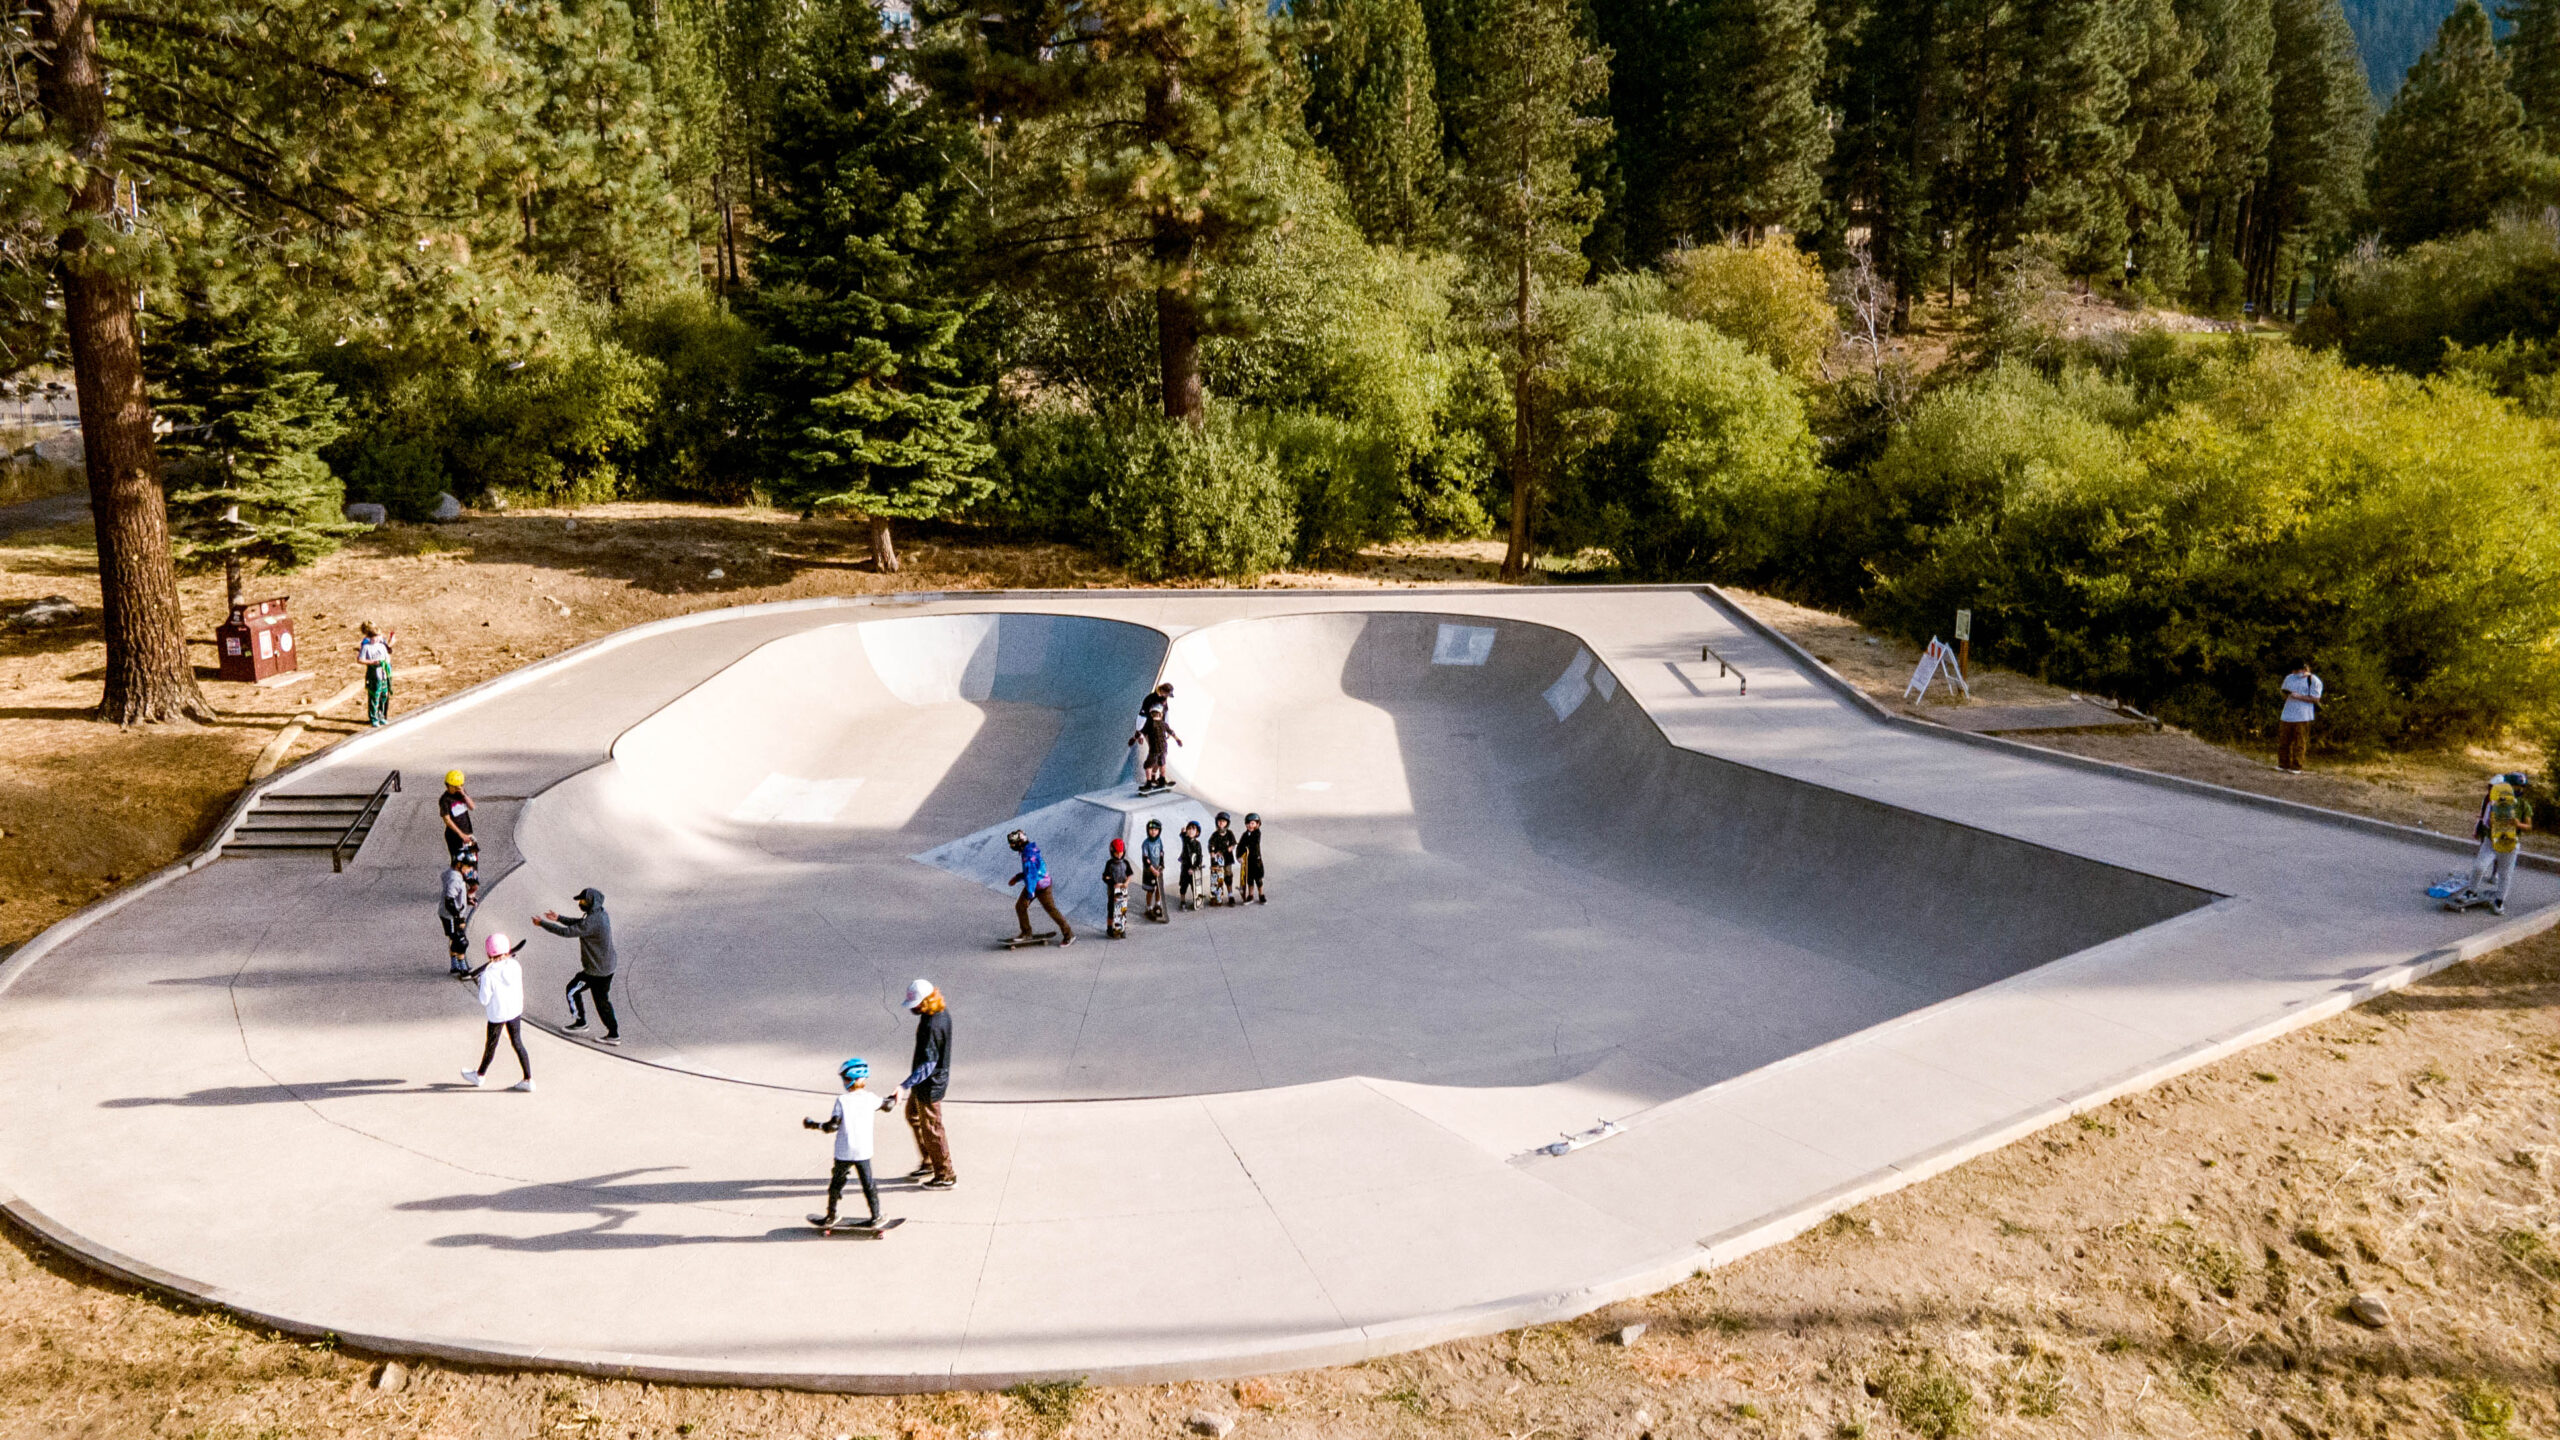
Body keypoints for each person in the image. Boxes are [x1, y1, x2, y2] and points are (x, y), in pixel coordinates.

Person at [804, 1057, 895, 1230]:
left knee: (836, 1183)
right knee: (868, 1184)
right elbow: (888, 1105)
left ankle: (831, 1215)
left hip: (844, 1151)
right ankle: (876, 1216)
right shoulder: (871, 1099)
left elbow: (832, 1126)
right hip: (863, 1151)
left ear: (848, 1080)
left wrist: (813, 1124)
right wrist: (894, 1097)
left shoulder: (842, 1101)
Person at [534, 888, 619, 1045]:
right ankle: (612, 1033)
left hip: (596, 972)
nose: (580, 903)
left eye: (583, 901)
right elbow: (580, 923)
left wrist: (542, 924)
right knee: (602, 1001)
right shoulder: (600, 914)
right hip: (607, 967)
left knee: (573, 991)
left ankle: (583, 1023)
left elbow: (567, 932)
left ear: (591, 903)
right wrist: (559, 917)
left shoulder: (592, 921)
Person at [895, 979, 956, 1188]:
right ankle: (929, 1160)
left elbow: (928, 1064)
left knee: (932, 1128)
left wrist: (904, 1086)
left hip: (930, 1085)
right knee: (912, 1115)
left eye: (916, 1005)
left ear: (926, 1001)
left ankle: (945, 1174)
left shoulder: (932, 1025)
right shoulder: (937, 1013)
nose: (914, 1009)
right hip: (923, 1083)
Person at [459, 932, 533, 1091]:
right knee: (517, 1042)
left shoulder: (488, 974)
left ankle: (480, 1075)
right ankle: (528, 1079)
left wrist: (478, 983)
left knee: (491, 1045)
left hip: (497, 1013)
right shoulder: (514, 965)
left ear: (488, 953)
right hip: (514, 1010)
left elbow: (484, 1000)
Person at [1006, 830, 1076, 944]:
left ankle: (1069, 934)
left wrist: (1030, 893)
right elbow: (1030, 872)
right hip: (1035, 884)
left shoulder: (1028, 855)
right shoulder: (1028, 850)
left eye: (1013, 844)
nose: (1011, 846)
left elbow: (1031, 875)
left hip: (1042, 886)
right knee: (1020, 906)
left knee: (1051, 909)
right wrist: (1018, 877)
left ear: (1020, 843)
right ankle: (1026, 932)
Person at [1128, 682, 1182, 793]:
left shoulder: (1164, 700)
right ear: (1162, 691)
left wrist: (1168, 729)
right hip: (1149, 729)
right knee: (1155, 754)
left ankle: (1156, 778)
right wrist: (1139, 733)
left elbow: (1166, 713)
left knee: (1161, 756)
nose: (1167, 697)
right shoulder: (1150, 699)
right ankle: (1150, 780)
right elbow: (1141, 716)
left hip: (1161, 728)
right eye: (1166, 694)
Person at [2275, 661, 2323, 773]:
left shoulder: (2313, 680)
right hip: (2287, 714)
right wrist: (2286, 694)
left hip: (2303, 716)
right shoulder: (2289, 678)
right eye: (2293, 670)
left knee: (2299, 742)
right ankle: (2283, 764)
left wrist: (2299, 696)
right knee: (2283, 741)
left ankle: (2297, 766)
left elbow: (2315, 699)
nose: (2294, 672)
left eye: (2297, 670)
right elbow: (2283, 693)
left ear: (2303, 669)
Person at [438, 855, 480, 975]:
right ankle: (463, 968)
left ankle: (454, 965)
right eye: (467, 867)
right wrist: (459, 918)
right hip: (450, 915)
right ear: (459, 865)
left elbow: (455, 894)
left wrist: (466, 899)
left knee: (454, 939)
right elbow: (449, 901)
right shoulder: (455, 878)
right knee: (461, 941)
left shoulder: (453, 874)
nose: (469, 870)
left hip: (448, 914)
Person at [357, 622, 397, 727]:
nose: (380, 638)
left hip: (384, 673)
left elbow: (387, 654)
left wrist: (386, 663)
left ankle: (382, 716)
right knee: (375, 695)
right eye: (377, 636)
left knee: (384, 695)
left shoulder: (381, 645)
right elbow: (360, 659)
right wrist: (373, 663)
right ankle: (374, 718)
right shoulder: (366, 645)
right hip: (374, 674)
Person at [439, 770, 477, 866]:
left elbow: (472, 807)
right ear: (448, 785)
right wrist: (462, 835)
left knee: (471, 862)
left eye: (459, 786)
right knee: (459, 864)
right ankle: (457, 880)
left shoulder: (461, 793)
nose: (457, 789)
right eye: (455, 787)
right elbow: (447, 820)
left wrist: (464, 794)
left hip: (468, 834)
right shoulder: (445, 800)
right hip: (455, 836)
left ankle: (468, 881)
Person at [1102, 837, 1134, 938]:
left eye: (1120, 853)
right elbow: (1105, 877)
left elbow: (1129, 875)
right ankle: (1109, 928)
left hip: (1123, 891)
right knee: (1112, 910)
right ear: (1112, 852)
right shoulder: (1110, 864)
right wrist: (1113, 883)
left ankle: (1122, 928)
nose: (1119, 855)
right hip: (1113, 891)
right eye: (1117, 853)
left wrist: (1127, 883)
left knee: (1122, 911)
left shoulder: (1125, 863)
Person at [1140, 818, 1168, 923]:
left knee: (1159, 888)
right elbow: (1145, 859)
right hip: (1149, 871)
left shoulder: (1159, 840)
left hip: (1158, 869)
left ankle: (1158, 905)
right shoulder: (1145, 843)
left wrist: (1161, 865)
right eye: (1151, 829)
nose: (1153, 831)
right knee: (1150, 890)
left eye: (1156, 830)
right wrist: (1152, 869)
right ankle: (1149, 908)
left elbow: (1161, 853)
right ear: (1148, 830)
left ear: (1159, 831)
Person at [1207, 812, 1238, 907]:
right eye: (1219, 821)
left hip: (1227, 858)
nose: (1221, 823)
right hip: (1218, 860)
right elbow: (1211, 846)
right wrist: (1213, 854)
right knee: (1217, 878)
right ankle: (1216, 896)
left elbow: (1233, 844)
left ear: (1227, 823)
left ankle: (1230, 895)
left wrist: (1231, 848)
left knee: (1228, 876)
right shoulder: (1215, 835)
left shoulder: (1229, 833)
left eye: (1223, 822)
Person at [1238, 812, 1267, 905]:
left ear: (1257, 824)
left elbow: (1253, 843)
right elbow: (1240, 845)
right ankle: (1250, 896)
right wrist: (1239, 856)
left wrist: (1246, 846)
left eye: (1252, 823)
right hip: (1248, 861)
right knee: (1249, 879)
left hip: (1256, 860)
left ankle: (1261, 894)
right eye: (1248, 823)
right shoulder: (1245, 835)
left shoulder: (1257, 833)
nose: (1250, 825)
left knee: (1258, 879)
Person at [1178, 819, 1204, 912]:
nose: (1190, 831)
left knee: (1194, 886)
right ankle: (1182, 901)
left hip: (1193, 868)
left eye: (1193, 829)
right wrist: (1182, 832)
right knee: (1183, 885)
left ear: (1197, 832)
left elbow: (1199, 857)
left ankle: (1195, 900)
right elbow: (1182, 836)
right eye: (1189, 829)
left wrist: (1194, 868)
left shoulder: (1197, 844)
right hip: (1185, 866)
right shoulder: (1185, 840)